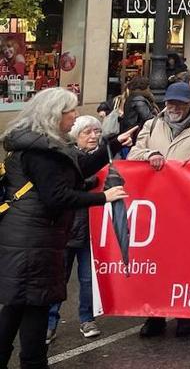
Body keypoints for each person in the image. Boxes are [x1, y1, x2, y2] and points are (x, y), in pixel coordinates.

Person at [0, 90, 129, 368]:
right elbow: (57, 196)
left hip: (24, 237)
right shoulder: (42, 152)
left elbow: (76, 169)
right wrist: (102, 198)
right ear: (54, 114)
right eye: (70, 111)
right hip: (35, 242)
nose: (75, 115)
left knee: (15, 306)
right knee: (34, 309)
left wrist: (113, 144)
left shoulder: (35, 145)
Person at [128, 81, 190, 337]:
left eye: (179, 103)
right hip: (156, 204)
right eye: (170, 103)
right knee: (156, 261)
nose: (173, 108)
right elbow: (134, 153)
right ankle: (154, 316)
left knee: (185, 261)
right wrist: (149, 156)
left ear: (189, 104)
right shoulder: (153, 124)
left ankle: (184, 315)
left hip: (188, 203)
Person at [45, 115, 134, 343]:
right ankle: (49, 323)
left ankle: (87, 319)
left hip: (92, 231)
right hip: (66, 229)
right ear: (76, 135)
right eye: (87, 132)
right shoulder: (67, 156)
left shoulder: (106, 157)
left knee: (88, 279)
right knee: (58, 279)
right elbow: (66, 186)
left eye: (96, 131)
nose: (93, 136)